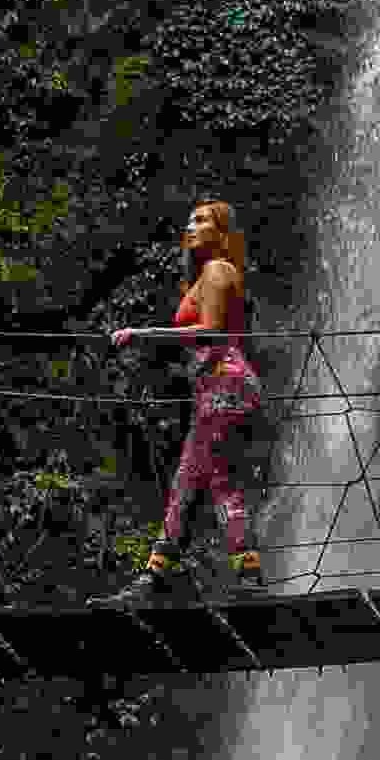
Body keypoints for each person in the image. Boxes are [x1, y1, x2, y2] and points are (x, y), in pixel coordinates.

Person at [105, 196, 262, 583]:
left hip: (226, 384)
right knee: (190, 480)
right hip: (217, 386)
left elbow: (209, 330)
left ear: (222, 232)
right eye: (189, 220)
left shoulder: (218, 270)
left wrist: (141, 334)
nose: (190, 227)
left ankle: (246, 575)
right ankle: (158, 575)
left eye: (202, 221)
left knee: (217, 479)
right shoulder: (210, 273)